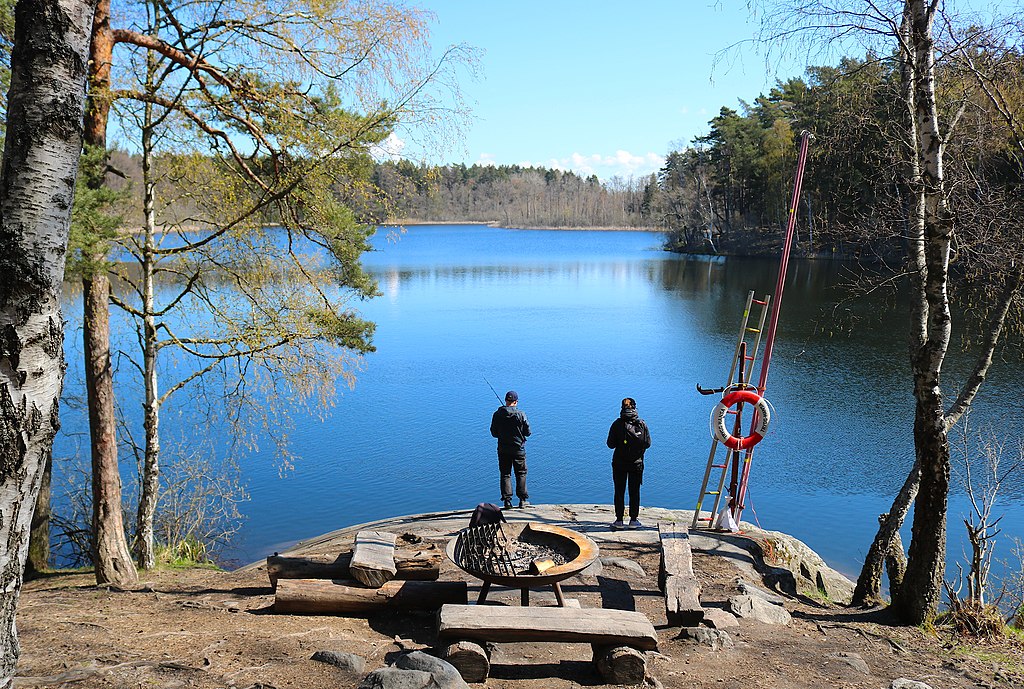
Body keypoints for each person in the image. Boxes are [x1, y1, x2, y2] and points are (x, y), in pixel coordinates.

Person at [606, 397, 651, 530]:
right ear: (635, 407)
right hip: (636, 464)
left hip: (619, 463)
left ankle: (619, 520)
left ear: (622, 408)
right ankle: (633, 520)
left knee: (619, 491)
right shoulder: (641, 424)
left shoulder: (617, 424)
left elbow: (610, 444)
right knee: (634, 492)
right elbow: (648, 444)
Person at [490, 390, 531, 509]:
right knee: (521, 473)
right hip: (518, 449)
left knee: (505, 474)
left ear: (506, 400)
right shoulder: (521, 414)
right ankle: (522, 500)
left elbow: (494, 433)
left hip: (503, 449)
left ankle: (507, 501)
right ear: (516, 402)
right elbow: (528, 432)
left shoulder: (497, 414)